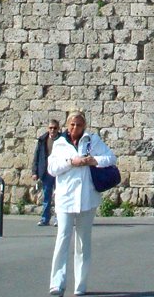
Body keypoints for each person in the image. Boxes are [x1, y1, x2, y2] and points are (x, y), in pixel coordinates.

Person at [47, 110, 117, 297]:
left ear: (84, 125)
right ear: (67, 125)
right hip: (66, 197)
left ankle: (80, 285)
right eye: (72, 124)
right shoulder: (60, 143)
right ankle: (57, 284)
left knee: (83, 243)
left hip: (87, 197)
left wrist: (94, 160)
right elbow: (52, 168)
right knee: (62, 238)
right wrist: (72, 162)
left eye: (78, 124)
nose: (75, 128)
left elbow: (111, 158)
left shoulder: (92, 141)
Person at [31, 118, 60, 226]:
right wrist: (35, 172)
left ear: (58, 128)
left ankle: (58, 218)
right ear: (48, 129)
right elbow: (37, 156)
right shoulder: (42, 140)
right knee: (47, 196)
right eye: (51, 128)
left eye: (55, 128)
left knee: (59, 196)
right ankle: (45, 218)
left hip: (59, 171)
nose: (53, 130)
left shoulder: (62, 140)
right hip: (46, 172)